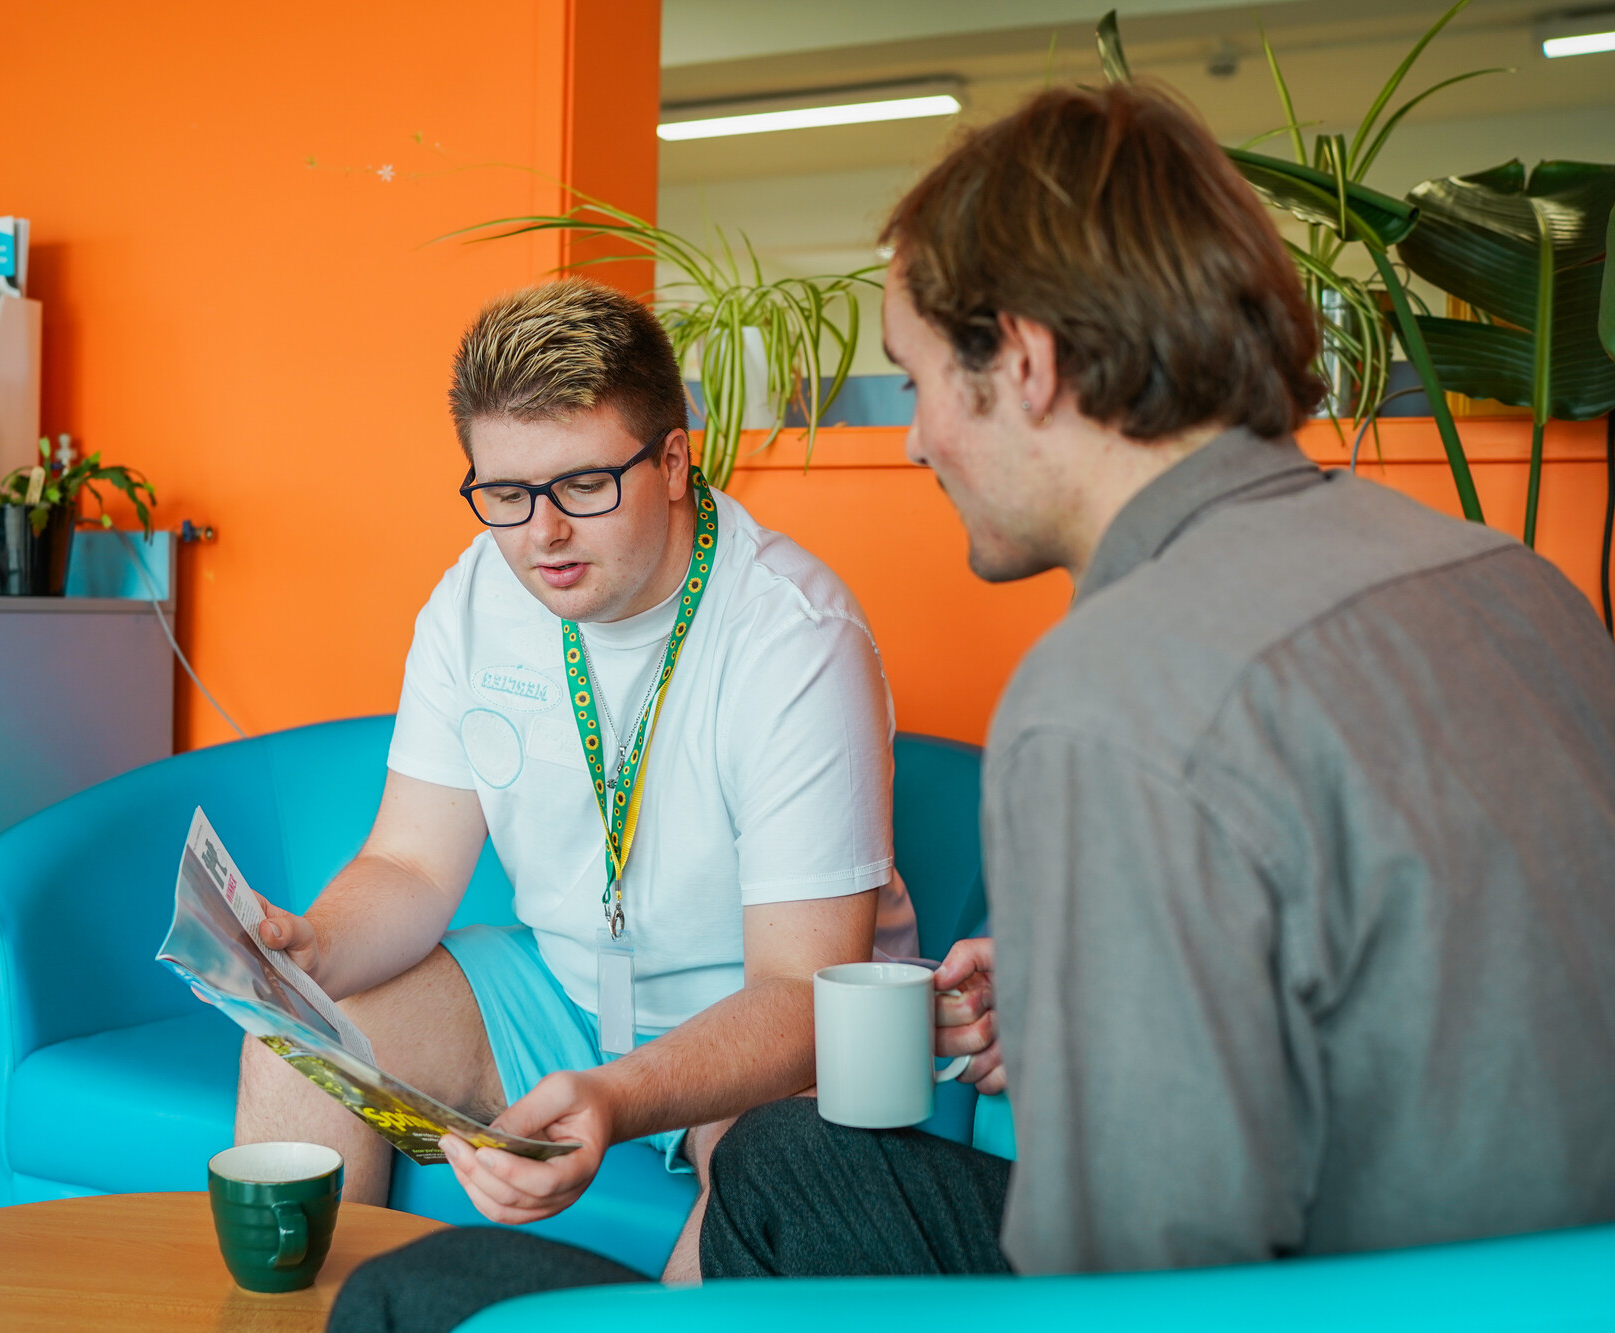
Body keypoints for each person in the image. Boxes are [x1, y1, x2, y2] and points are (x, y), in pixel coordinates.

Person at [328, 81, 1615, 1333]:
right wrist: (1087, 988)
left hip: (1299, 1302)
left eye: (922, 378)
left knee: (410, 1298)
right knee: (787, 1163)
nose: (916, 440)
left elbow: (1139, 1259)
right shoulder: (1515, 582)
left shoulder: (1110, 687)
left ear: (1029, 366)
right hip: (1539, 1286)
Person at [235, 279, 917, 1281]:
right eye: (504, 493)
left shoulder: (792, 638)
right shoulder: (474, 595)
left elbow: (797, 991)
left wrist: (614, 1094)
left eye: (582, 487)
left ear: (674, 461)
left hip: (757, 1031)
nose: (540, 534)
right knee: (294, 1036)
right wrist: (312, 947)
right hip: (557, 989)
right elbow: (411, 864)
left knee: (784, 1176)